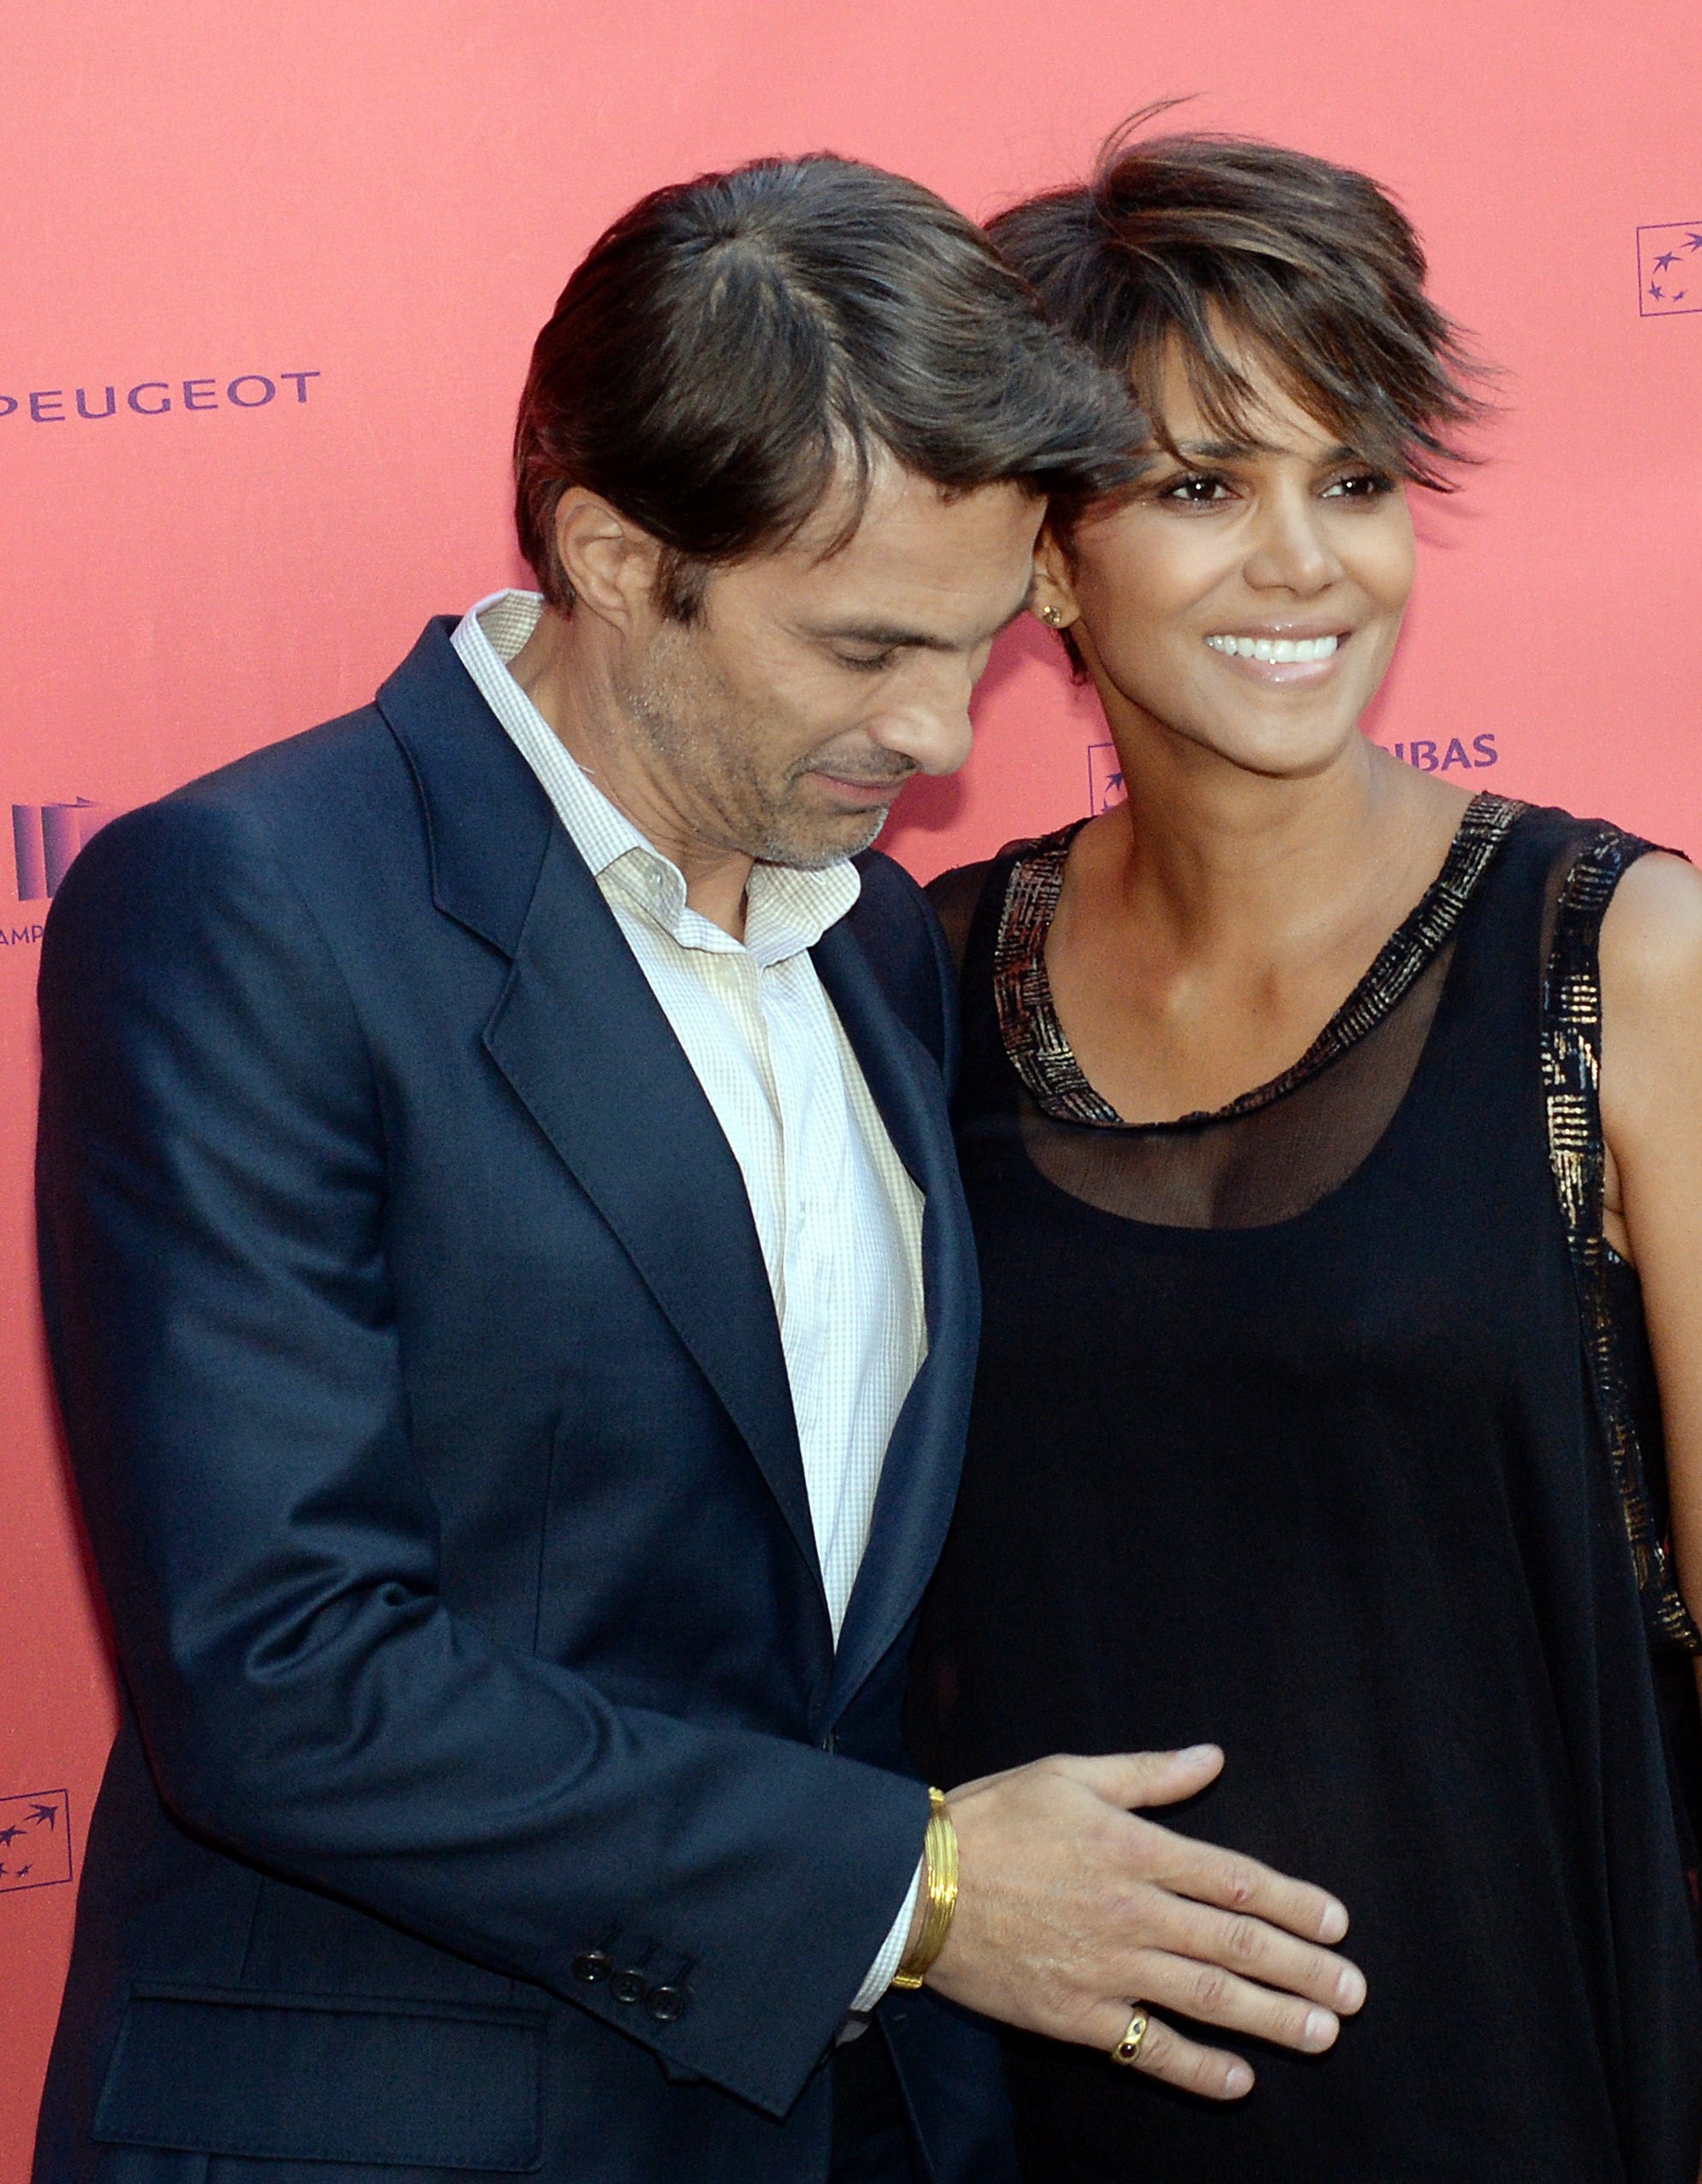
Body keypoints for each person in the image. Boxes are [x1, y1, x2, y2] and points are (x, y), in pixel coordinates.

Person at [32, 157, 1367, 2184]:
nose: (936, 737)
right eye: (861, 651)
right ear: (611, 552)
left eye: (984, 645)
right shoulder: (257, 909)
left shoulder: (863, 945)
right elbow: (279, 1671)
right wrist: (919, 1890)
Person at [910, 129, 1702, 2183]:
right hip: (1077, 2112)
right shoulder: (920, 985)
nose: (1308, 563)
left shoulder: (1625, 963)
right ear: (1046, 559)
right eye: (1199, 488)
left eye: (1352, 481)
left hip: (1563, 2066)